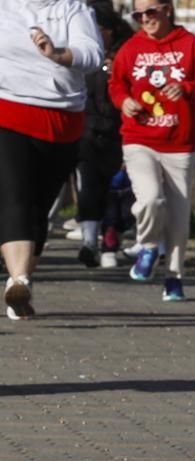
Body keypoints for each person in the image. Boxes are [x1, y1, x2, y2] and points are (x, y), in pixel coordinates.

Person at [0, 0, 104, 320]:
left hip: (61, 121)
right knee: (15, 195)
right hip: (8, 108)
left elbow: (92, 54)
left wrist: (58, 53)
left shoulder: (73, 10)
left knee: (38, 207)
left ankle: (23, 285)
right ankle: (17, 278)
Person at [108, 0, 195, 301]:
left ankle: (174, 277)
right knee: (150, 198)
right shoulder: (131, 47)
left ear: (167, 9)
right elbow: (117, 84)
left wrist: (187, 89)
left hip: (180, 142)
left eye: (150, 12)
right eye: (138, 15)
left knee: (179, 217)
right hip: (139, 137)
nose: (144, 19)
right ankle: (148, 245)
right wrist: (123, 101)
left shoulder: (190, 44)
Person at [75, 0, 133, 269]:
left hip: (120, 131)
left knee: (117, 190)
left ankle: (111, 241)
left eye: (100, 29)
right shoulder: (83, 52)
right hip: (87, 130)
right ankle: (89, 242)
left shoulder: (125, 53)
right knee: (88, 187)